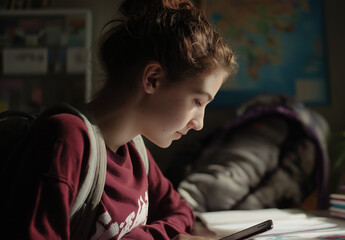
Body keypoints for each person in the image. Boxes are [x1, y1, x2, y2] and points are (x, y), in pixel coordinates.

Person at [0, 0, 237, 239]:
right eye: (197, 102)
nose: (199, 123)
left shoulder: (135, 148)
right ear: (153, 79)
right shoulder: (65, 138)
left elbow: (181, 210)